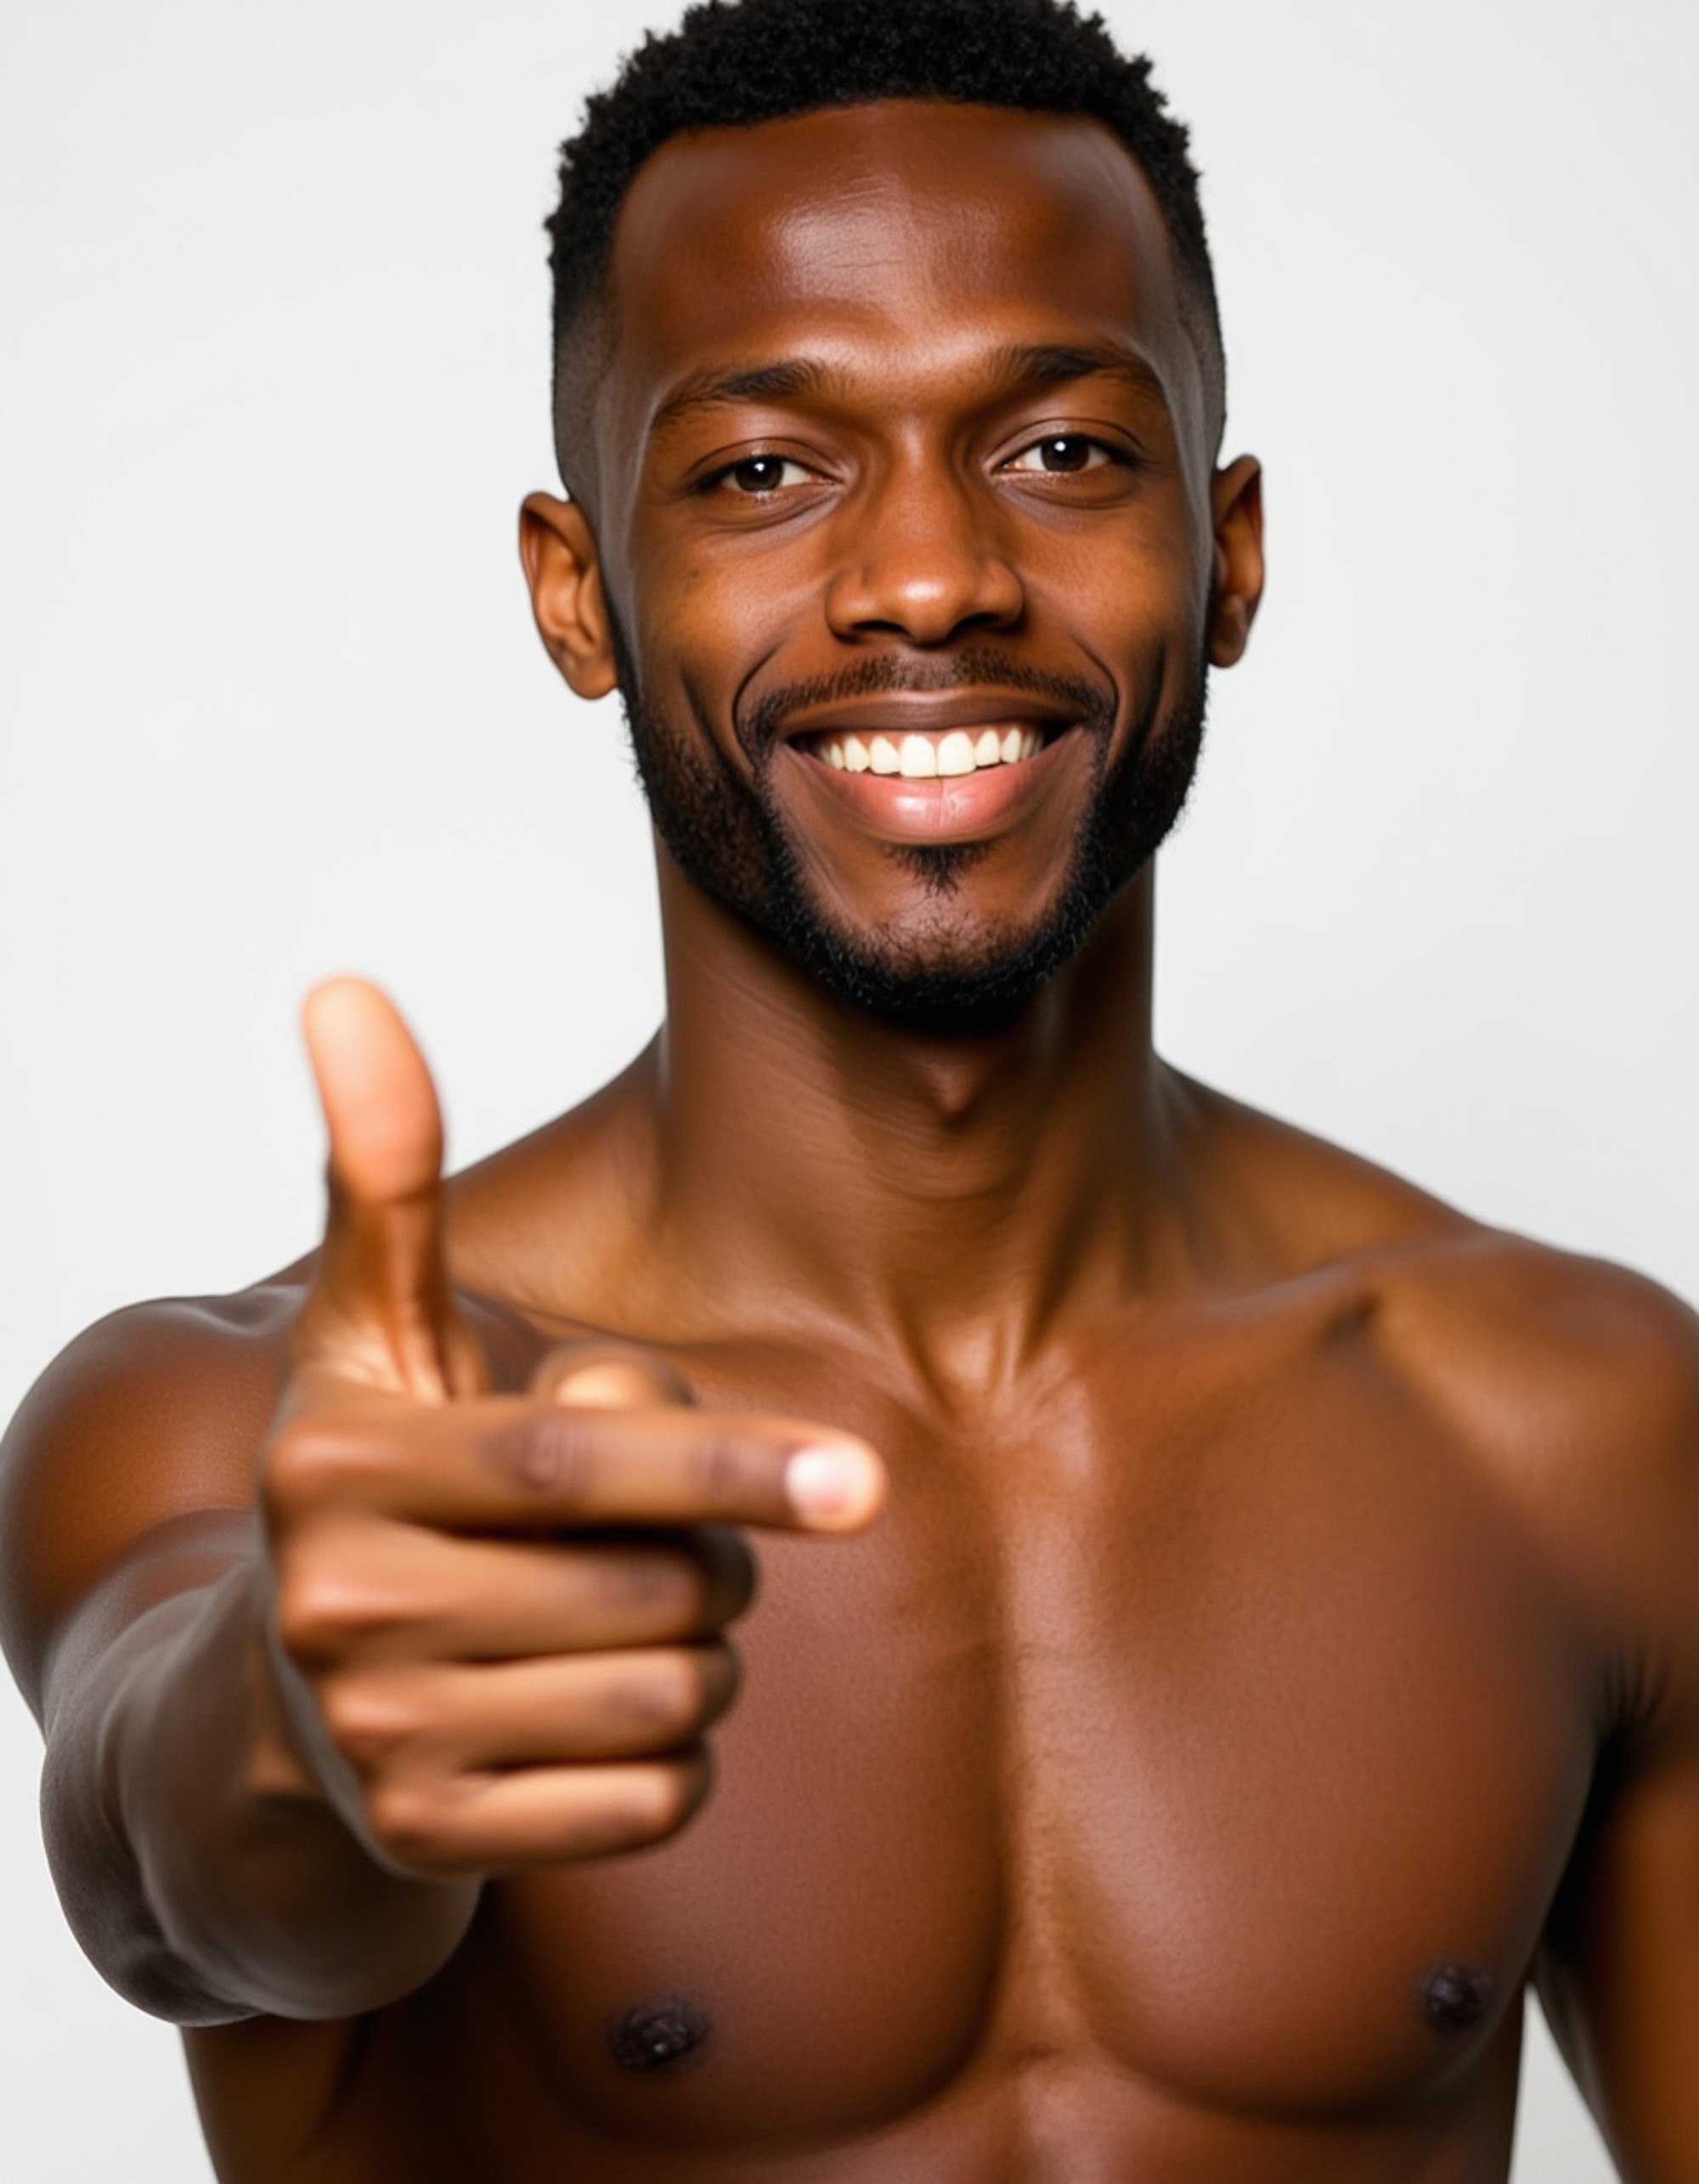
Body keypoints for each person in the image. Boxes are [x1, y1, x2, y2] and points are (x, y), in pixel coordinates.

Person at [3, 0, 1696, 2175]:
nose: (925, 576)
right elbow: (172, 1892)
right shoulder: (253, 1441)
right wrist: (293, 1734)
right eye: (761, 471)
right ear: (578, 588)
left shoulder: (1575, 1431)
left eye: (1064, 449)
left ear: (1231, 546)